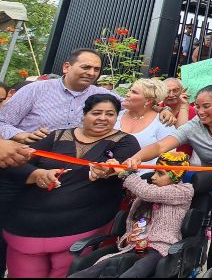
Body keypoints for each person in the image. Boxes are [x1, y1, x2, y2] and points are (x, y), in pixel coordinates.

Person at [2, 94, 141, 278]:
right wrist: (36, 174)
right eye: (96, 112)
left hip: (80, 228)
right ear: (84, 114)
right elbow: (16, 161)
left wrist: (105, 172)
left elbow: (118, 168)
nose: (103, 118)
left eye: (110, 114)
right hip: (25, 226)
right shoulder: (57, 135)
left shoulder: (125, 141)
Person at [123, 83, 212, 272]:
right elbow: (161, 146)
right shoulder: (192, 126)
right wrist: (138, 157)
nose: (200, 111)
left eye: (206, 106)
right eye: (197, 106)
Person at [70, 151, 194, 278]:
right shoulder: (141, 198)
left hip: (161, 250)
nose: (153, 177)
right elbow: (130, 226)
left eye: (160, 173)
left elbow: (149, 193)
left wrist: (124, 173)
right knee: (103, 265)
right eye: (155, 171)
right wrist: (127, 240)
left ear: (176, 176)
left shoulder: (184, 192)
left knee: (138, 270)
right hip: (134, 248)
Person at [0, 48, 118, 143]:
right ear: (66, 67)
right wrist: (23, 136)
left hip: (73, 165)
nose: (91, 73)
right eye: (86, 67)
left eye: (96, 69)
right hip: (28, 160)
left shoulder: (103, 96)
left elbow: (133, 106)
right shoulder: (36, 89)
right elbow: (2, 123)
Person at [115, 79, 176, 165]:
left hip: (145, 175)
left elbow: (169, 157)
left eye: (134, 92)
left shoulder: (163, 122)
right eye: (130, 90)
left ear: (148, 101)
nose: (127, 94)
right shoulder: (115, 116)